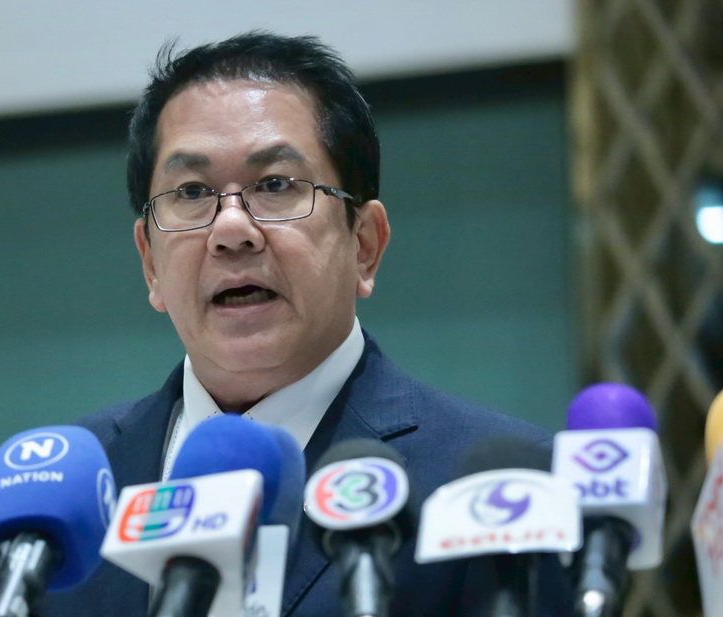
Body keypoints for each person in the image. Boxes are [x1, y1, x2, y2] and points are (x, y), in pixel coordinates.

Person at [41, 31, 568, 617]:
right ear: (150, 264)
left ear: (364, 245)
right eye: (191, 191)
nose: (231, 229)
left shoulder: (497, 492)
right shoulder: (63, 495)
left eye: (275, 185)